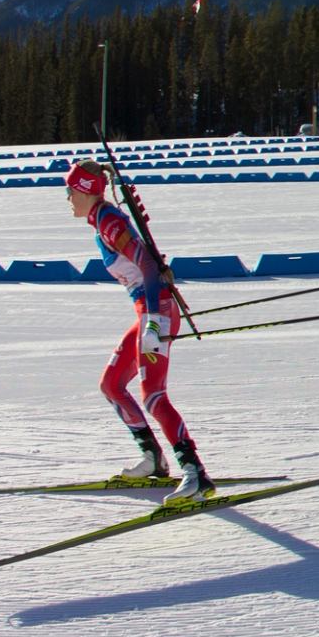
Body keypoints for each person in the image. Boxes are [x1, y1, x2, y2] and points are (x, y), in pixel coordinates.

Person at [64, 160, 213, 504]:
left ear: (86, 189)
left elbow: (146, 263)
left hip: (155, 311)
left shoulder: (109, 222)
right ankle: (154, 459)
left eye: (71, 190)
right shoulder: (100, 221)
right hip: (147, 309)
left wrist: (153, 321)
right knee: (111, 385)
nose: (68, 197)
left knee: (153, 396)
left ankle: (195, 473)